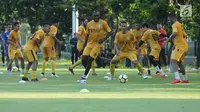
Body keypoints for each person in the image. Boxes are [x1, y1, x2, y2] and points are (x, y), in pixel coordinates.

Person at [79, 11, 112, 81]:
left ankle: (84, 76)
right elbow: (87, 35)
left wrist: (103, 39)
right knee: (83, 59)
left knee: (90, 59)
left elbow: (110, 32)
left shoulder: (103, 23)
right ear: (93, 16)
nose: (96, 17)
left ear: (99, 16)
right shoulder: (89, 24)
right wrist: (84, 46)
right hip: (89, 44)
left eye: (97, 15)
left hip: (98, 44)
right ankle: (88, 69)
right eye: (94, 16)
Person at [163, 14, 189, 84]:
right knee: (179, 63)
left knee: (173, 60)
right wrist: (176, 44)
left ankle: (177, 78)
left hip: (180, 46)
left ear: (172, 18)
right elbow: (184, 35)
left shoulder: (174, 24)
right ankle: (185, 79)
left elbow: (174, 33)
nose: (169, 21)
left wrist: (166, 41)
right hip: (183, 46)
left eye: (169, 19)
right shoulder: (180, 24)